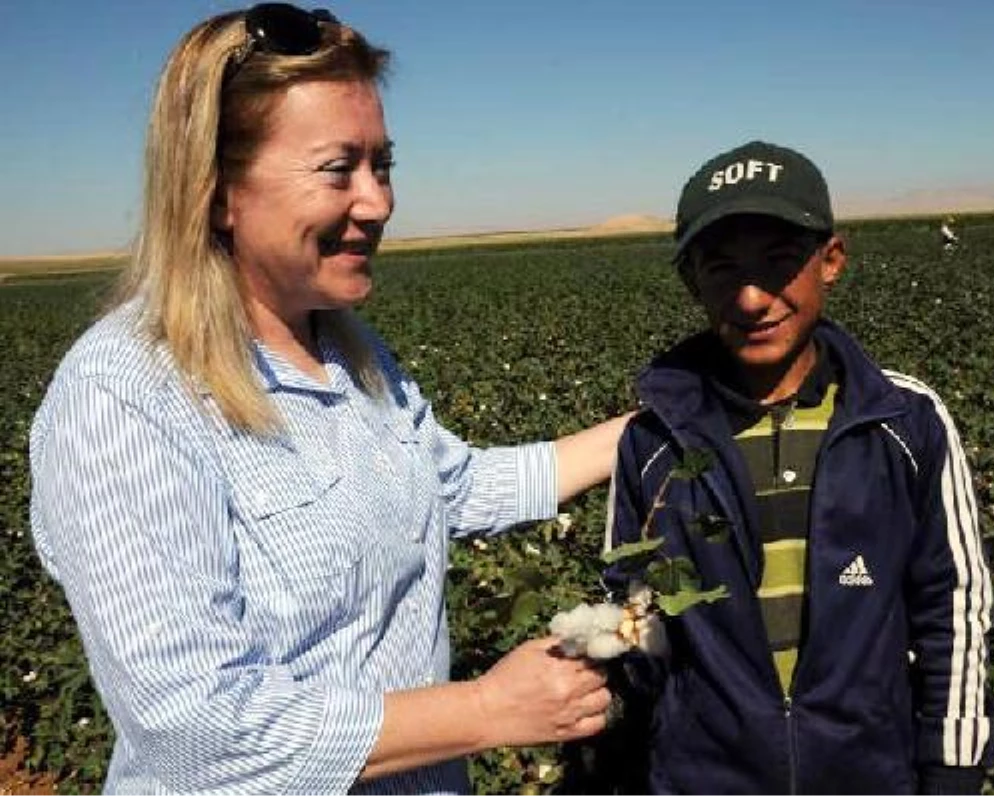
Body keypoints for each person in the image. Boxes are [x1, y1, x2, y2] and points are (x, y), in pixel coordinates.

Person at [27, 4, 627, 793]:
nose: (378, 203)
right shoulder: (126, 398)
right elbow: (198, 729)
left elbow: (453, 488)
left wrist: (647, 432)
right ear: (216, 193)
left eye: (384, 165)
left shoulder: (346, 349)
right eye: (338, 170)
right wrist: (486, 709)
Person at [601, 141, 994, 794]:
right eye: (722, 269)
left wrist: (952, 767)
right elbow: (635, 612)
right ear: (691, 279)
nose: (752, 298)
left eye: (781, 262)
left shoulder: (904, 420)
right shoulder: (653, 442)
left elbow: (953, 605)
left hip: (871, 773)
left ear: (831, 261)